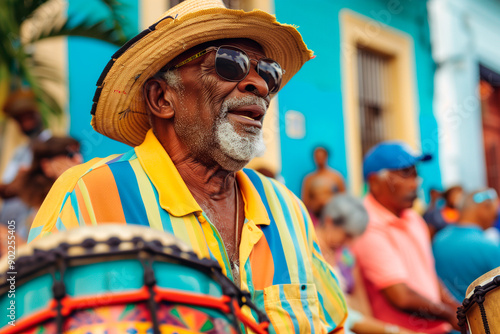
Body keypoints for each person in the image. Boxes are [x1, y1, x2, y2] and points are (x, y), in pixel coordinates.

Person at [28, 0, 347, 332]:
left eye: (269, 72)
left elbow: (333, 322)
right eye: (229, 63)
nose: (260, 85)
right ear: (162, 99)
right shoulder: (89, 197)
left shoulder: (286, 208)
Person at [351, 141, 460, 334]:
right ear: (375, 182)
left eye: (416, 174)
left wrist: (454, 306)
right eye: (405, 174)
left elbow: (427, 273)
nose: (415, 182)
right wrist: (449, 314)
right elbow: (401, 296)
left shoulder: (412, 217)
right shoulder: (366, 225)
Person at [317, 194, 425, 334]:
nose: (349, 242)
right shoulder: (309, 251)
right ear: (329, 221)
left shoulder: (346, 257)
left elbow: (362, 306)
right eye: (347, 235)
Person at [433, 188, 500, 302]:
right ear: (484, 208)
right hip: (478, 317)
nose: (495, 217)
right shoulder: (489, 247)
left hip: (450, 314)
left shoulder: (438, 239)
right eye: (495, 213)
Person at [0, 89, 51, 227]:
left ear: (38, 114)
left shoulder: (53, 147)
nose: (25, 123)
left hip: (33, 226)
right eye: (20, 119)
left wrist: (21, 182)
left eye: (28, 116)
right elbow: (7, 189)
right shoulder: (20, 151)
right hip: (10, 227)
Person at [302, 146, 346, 221]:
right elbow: (305, 200)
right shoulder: (309, 179)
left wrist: (328, 202)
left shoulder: (336, 177)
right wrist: (316, 204)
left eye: (321, 156)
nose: (319, 159)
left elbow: (344, 198)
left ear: (326, 157)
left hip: (333, 216)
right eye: (317, 157)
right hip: (315, 217)